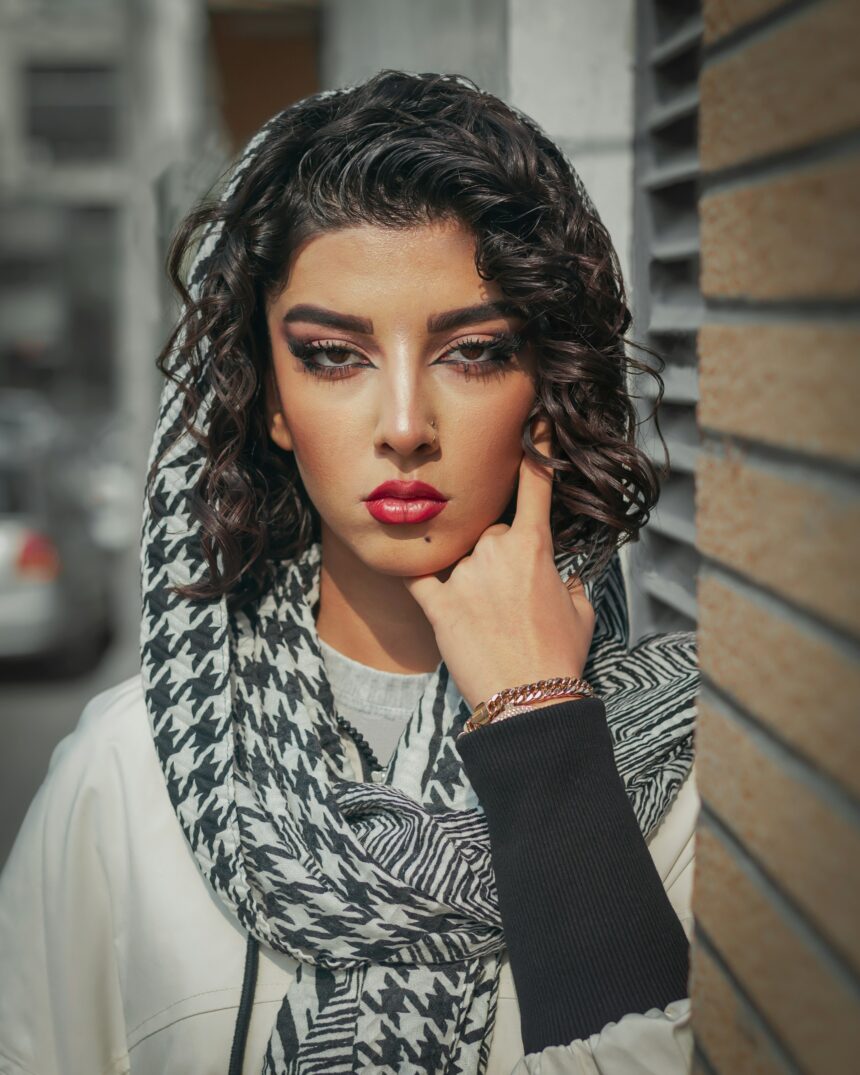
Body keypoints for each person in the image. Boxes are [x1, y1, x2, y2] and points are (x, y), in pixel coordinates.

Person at [0, 70, 700, 1074]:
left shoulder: (678, 781)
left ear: (542, 389)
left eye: (470, 353)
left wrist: (538, 720)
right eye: (334, 355)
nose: (404, 426)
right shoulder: (125, 778)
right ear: (272, 398)